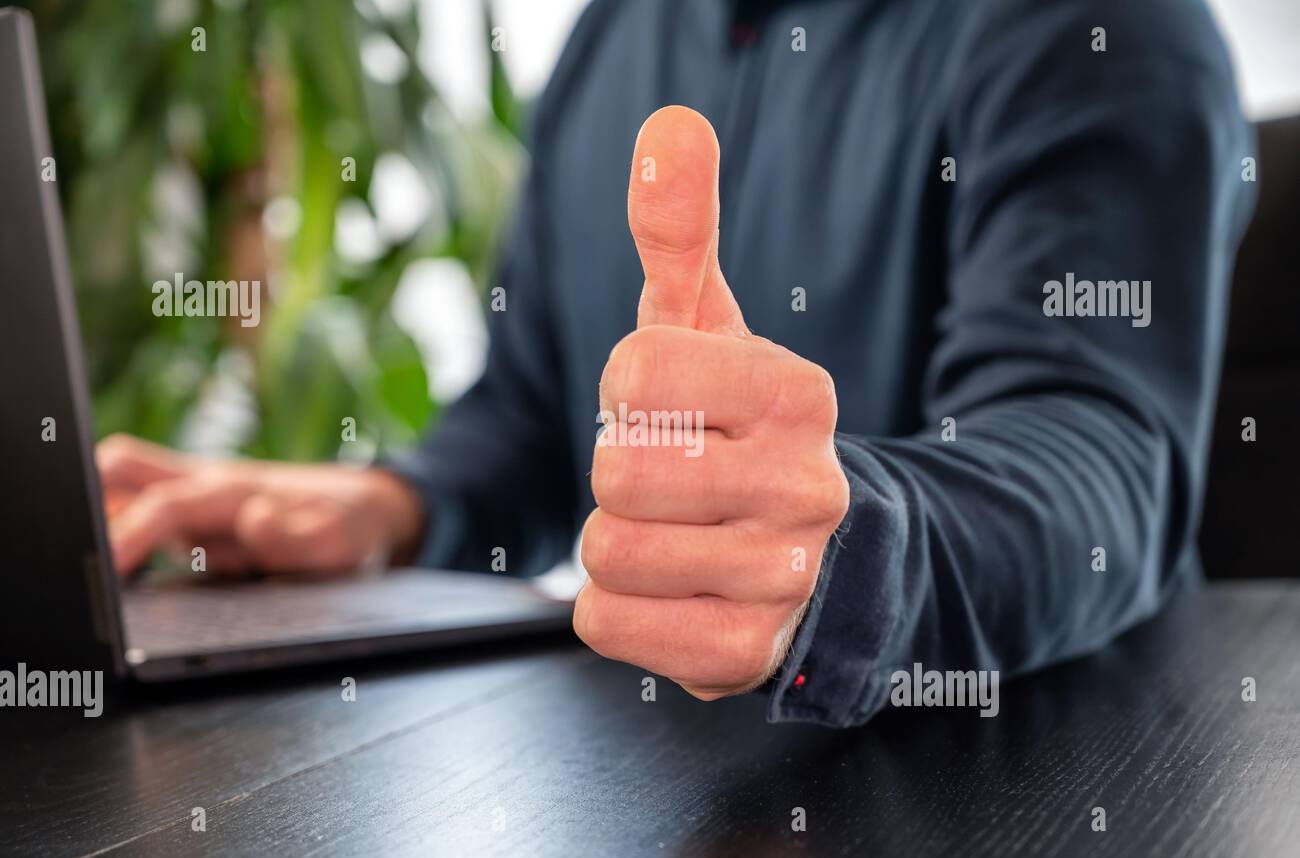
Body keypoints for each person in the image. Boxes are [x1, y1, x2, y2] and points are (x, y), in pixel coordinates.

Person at [97, 0, 1255, 726]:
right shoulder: (613, 40)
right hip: (661, 790)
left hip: (1029, 787)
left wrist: (846, 546)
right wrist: (387, 504)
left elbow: (1101, 452)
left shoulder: (1104, 25)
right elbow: (533, 415)